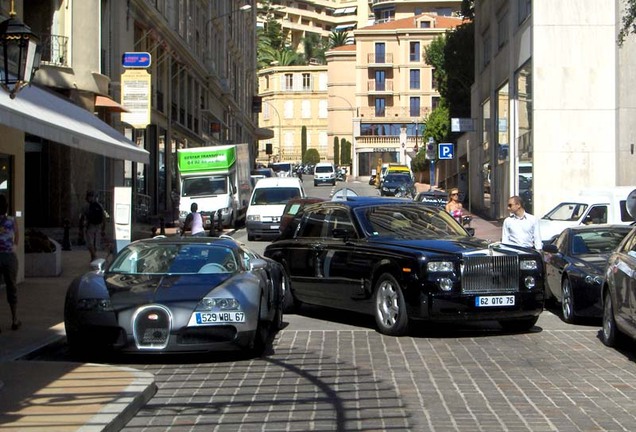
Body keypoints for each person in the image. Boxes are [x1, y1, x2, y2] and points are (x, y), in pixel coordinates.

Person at [0, 194, 20, 331]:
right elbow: (17, 236)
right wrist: (13, 248)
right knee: (11, 287)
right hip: (9, 256)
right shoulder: (12, 221)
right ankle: (14, 319)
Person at [80, 191, 106, 262]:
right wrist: (103, 227)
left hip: (90, 226)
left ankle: (94, 257)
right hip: (98, 226)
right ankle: (93, 257)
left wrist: (81, 229)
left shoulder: (85, 206)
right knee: (95, 244)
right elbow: (103, 217)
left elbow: (82, 218)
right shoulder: (99, 205)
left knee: (90, 243)